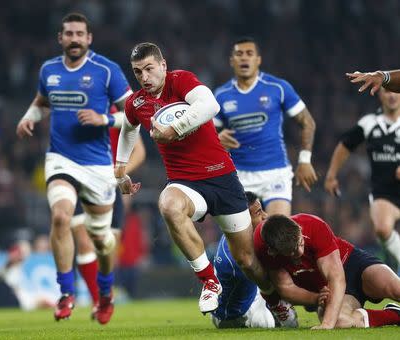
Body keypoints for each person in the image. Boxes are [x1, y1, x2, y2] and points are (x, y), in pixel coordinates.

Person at [114, 42, 274, 315]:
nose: (144, 77)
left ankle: (275, 299)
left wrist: (174, 129)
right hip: (185, 183)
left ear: (163, 66)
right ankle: (209, 281)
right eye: (138, 72)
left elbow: (210, 104)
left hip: (222, 178)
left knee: (247, 260)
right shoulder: (137, 102)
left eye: (149, 69)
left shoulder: (181, 81)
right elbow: (128, 129)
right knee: (168, 204)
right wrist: (120, 168)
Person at [15, 13, 133, 324]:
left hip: (97, 166)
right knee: (60, 216)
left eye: (80, 33)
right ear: (61, 38)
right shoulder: (49, 69)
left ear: (89, 38)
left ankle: (105, 292)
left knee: (103, 241)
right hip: (60, 159)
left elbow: (135, 113)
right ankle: (66, 293)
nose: (75, 39)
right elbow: (42, 102)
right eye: (69, 33)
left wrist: (103, 120)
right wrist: (29, 117)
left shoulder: (107, 70)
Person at [214, 37, 317, 216]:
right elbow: (205, 135)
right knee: (245, 241)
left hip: (275, 172)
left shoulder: (277, 88)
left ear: (258, 60)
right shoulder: (221, 95)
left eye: (249, 54)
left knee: (278, 233)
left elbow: (308, 122)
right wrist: (216, 140)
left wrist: (305, 160)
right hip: (238, 175)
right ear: (232, 61)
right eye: (239, 54)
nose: (244, 58)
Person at [253, 213, 400, 329]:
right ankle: (395, 315)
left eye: (300, 243)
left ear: (298, 228)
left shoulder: (313, 225)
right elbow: (285, 287)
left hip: (351, 265)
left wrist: (326, 325)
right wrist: (316, 298)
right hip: (327, 290)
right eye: (292, 252)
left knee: (396, 289)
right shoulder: (263, 248)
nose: (300, 251)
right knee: (340, 322)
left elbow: (336, 277)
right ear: (273, 251)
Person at [70, 127, 145, 318]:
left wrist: (118, 174)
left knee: (108, 246)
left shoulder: (120, 105)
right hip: (81, 181)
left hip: (109, 186)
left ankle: (105, 293)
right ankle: (98, 301)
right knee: (85, 244)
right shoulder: (79, 103)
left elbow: (139, 150)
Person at [325, 87, 400, 268]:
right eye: (386, 92)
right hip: (384, 192)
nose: (391, 95)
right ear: (379, 94)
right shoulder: (369, 123)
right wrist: (331, 175)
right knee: (382, 229)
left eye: (396, 91)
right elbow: (345, 145)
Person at [212, 191, 298, 328]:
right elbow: (274, 282)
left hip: (253, 293)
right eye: (259, 213)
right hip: (234, 315)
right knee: (267, 323)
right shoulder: (238, 258)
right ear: (243, 220)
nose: (266, 216)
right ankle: (278, 309)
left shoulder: (238, 235)